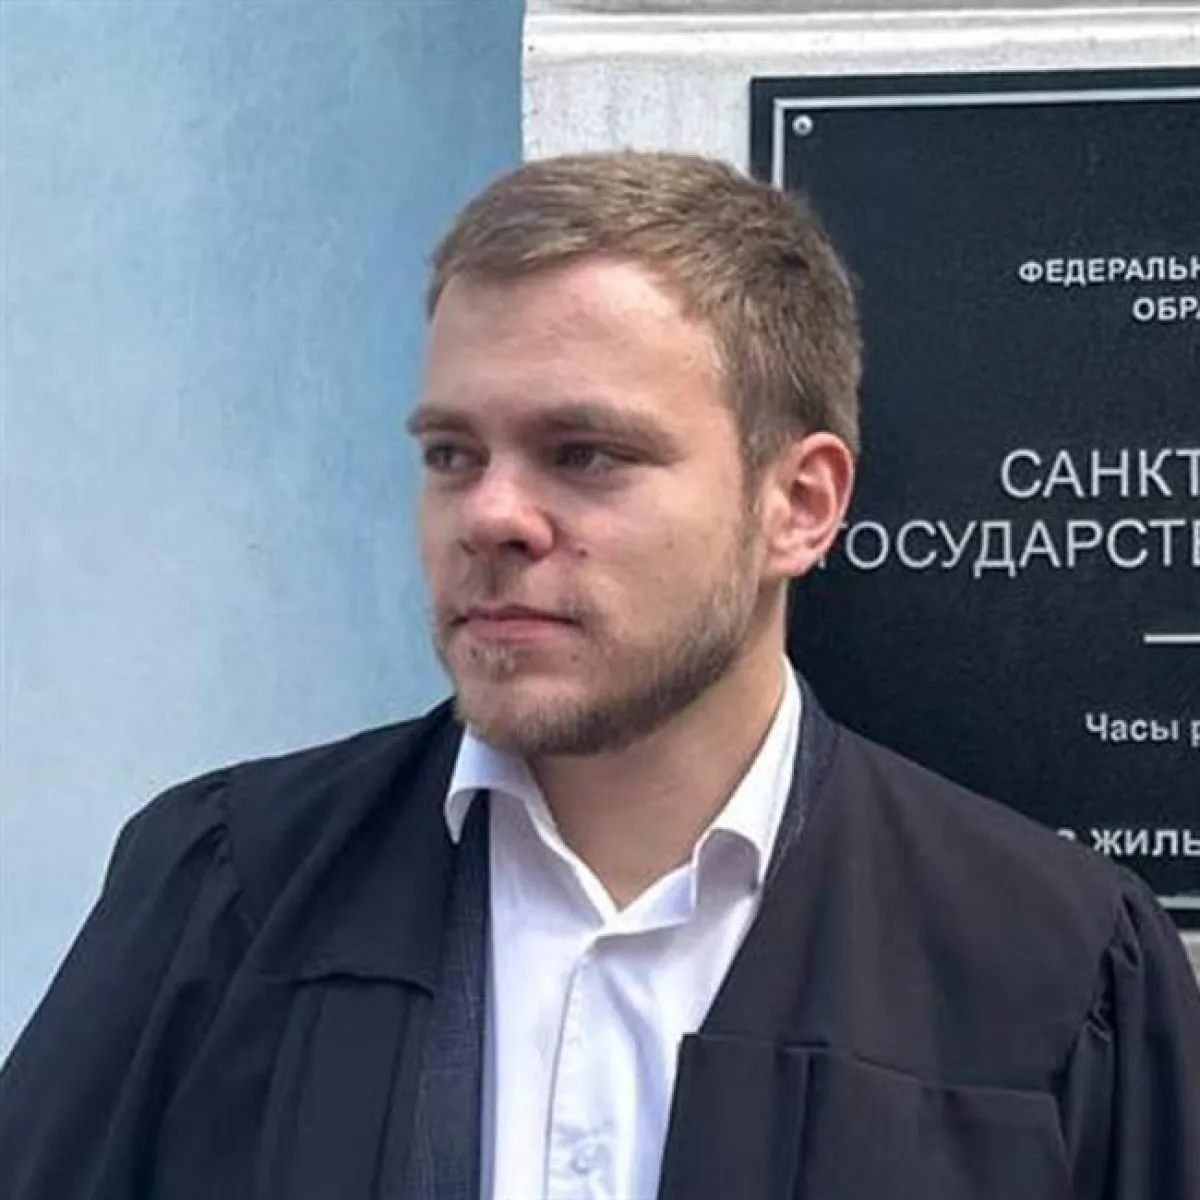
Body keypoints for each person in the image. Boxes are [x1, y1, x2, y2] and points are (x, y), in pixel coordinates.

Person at [1, 151, 1197, 1200]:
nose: (491, 516)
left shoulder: (1050, 968)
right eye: (452, 453)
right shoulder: (227, 892)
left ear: (799, 503)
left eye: (585, 454)